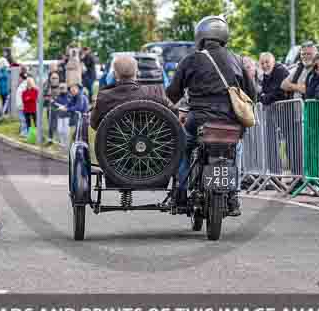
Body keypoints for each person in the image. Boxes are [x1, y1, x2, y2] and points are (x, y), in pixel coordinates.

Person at [166, 16, 256, 217]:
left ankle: (180, 193)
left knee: (183, 146)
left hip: (198, 119)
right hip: (230, 122)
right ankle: (233, 198)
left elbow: (173, 92)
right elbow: (252, 92)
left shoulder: (191, 59)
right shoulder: (237, 59)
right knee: (235, 151)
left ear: (201, 35)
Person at [90, 55, 172, 130]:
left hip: (115, 144)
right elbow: (173, 117)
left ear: (114, 74)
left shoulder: (104, 96)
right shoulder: (155, 92)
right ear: (137, 72)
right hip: (152, 143)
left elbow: (94, 125)